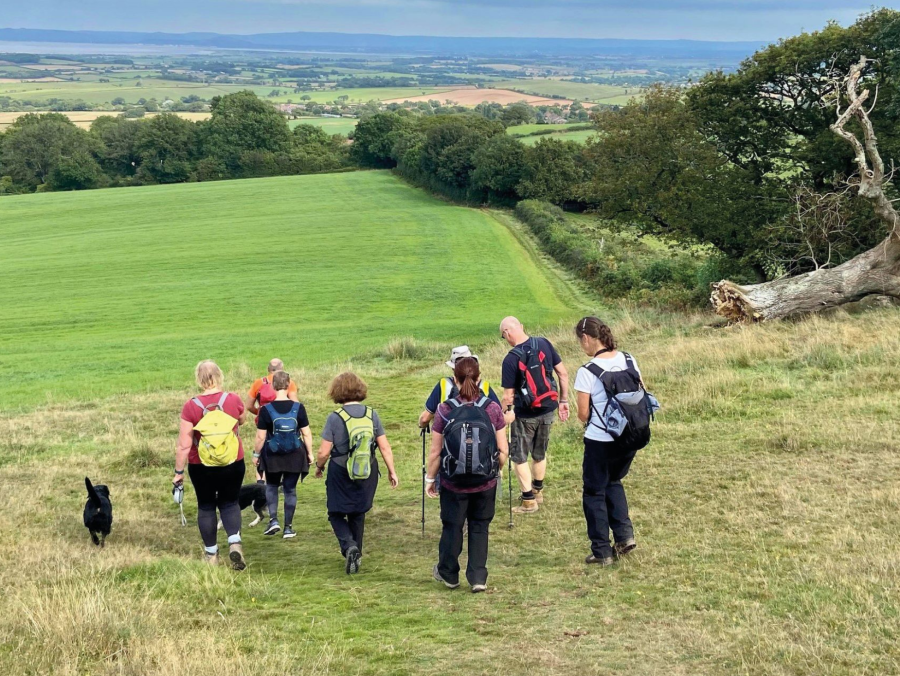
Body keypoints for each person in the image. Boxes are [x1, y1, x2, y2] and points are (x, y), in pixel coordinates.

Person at [426, 357, 508, 593]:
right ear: (480, 378)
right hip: (485, 482)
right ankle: (478, 577)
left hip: (453, 482)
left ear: (455, 379)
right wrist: (496, 469)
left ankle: (449, 573)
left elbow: (435, 452)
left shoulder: (444, 410)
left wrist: (431, 479)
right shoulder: (492, 409)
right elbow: (503, 450)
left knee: (452, 526)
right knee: (480, 526)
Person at [573, 316, 643, 565]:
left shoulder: (587, 371)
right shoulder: (628, 359)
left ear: (587, 338)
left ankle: (602, 551)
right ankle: (624, 536)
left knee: (593, 491)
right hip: (631, 436)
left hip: (600, 439)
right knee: (614, 480)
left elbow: (583, 413)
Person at [314, 371, 399, 574]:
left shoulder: (334, 418)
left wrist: (319, 466)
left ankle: (349, 546)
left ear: (337, 391)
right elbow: (385, 447)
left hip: (340, 471)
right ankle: (356, 553)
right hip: (367, 469)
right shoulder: (372, 414)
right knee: (358, 513)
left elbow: (323, 451)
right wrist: (392, 471)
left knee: (335, 512)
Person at [173, 360, 249, 570]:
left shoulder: (191, 406)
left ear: (199, 379)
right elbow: (241, 420)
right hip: (233, 461)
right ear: (219, 376)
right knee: (230, 502)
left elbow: (184, 445)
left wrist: (178, 473)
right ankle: (234, 542)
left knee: (206, 506)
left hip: (201, 465)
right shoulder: (232, 399)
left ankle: (211, 555)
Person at [499, 316, 569, 514]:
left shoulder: (511, 359)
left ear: (507, 333)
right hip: (549, 408)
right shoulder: (544, 343)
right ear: (521, 326)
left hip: (525, 413)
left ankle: (528, 501)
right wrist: (563, 400)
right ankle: (538, 491)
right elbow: (562, 374)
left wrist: (503, 412)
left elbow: (508, 395)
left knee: (519, 457)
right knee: (540, 453)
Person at [253, 370, 313, 539]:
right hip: (295, 455)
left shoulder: (265, 409)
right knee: (290, 490)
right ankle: (288, 528)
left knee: (271, 487)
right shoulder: (299, 408)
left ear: (273, 386)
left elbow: (260, 437)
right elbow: (306, 433)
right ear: (288, 385)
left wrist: (256, 455)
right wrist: (310, 453)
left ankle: (273, 520)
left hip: (273, 456)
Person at [418, 345, 501, 429]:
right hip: (482, 440)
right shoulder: (484, 385)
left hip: (450, 440)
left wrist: (421, 425)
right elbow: (499, 417)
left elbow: (425, 419)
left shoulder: (443, 384)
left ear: (454, 370)